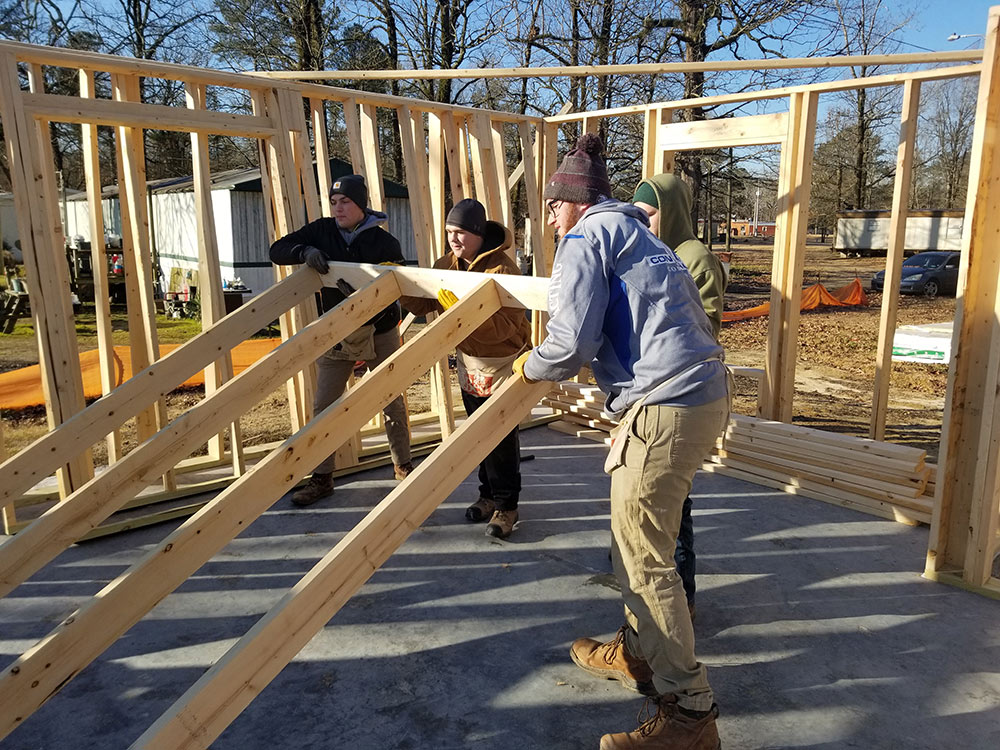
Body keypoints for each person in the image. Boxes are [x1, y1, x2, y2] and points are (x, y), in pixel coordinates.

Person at [513, 135, 730, 750]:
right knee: (634, 539)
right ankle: (638, 653)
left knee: (645, 557)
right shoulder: (645, 236)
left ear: (571, 203)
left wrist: (527, 369)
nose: (551, 220)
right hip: (701, 393)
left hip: (665, 403)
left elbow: (570, 343)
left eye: (553, 208)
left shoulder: (587, 237)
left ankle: (690, 713)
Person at [268, 174, 412, 506]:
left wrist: (367, 297)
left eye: (345, 201)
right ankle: (321, 477)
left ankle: (403, 467)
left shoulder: (383, 243)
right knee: (324, 405)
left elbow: (398, 285)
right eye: (333, 202)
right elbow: (278, 250)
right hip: (337, 331)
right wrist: (304, 251)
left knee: (391, 398)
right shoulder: (322, 231)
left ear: (361, 204)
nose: (338, 208)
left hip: (380, 329)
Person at [400, 199, 531, 539]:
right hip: (470, 361)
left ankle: (507, 506)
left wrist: (463, 313)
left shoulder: (502, 271)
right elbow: (424, 299)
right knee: (478, 434)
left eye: (460, 233)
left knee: (500, 436)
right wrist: (400, 282)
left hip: (502, 361)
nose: (453, 239)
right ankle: (487, 495)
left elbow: (504, 328)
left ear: (477, 233)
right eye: (448, 233)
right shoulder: (449, 263)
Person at [633, 173, 728, 620]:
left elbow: (703, 327)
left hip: (684, 390)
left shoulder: (696, 258)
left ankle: (682, 598)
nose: (642, 220)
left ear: (669, 212)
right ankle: (638, 565)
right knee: (645, 493)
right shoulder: (646, 251)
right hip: (648, 386)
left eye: (649, 212)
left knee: (676, 503)